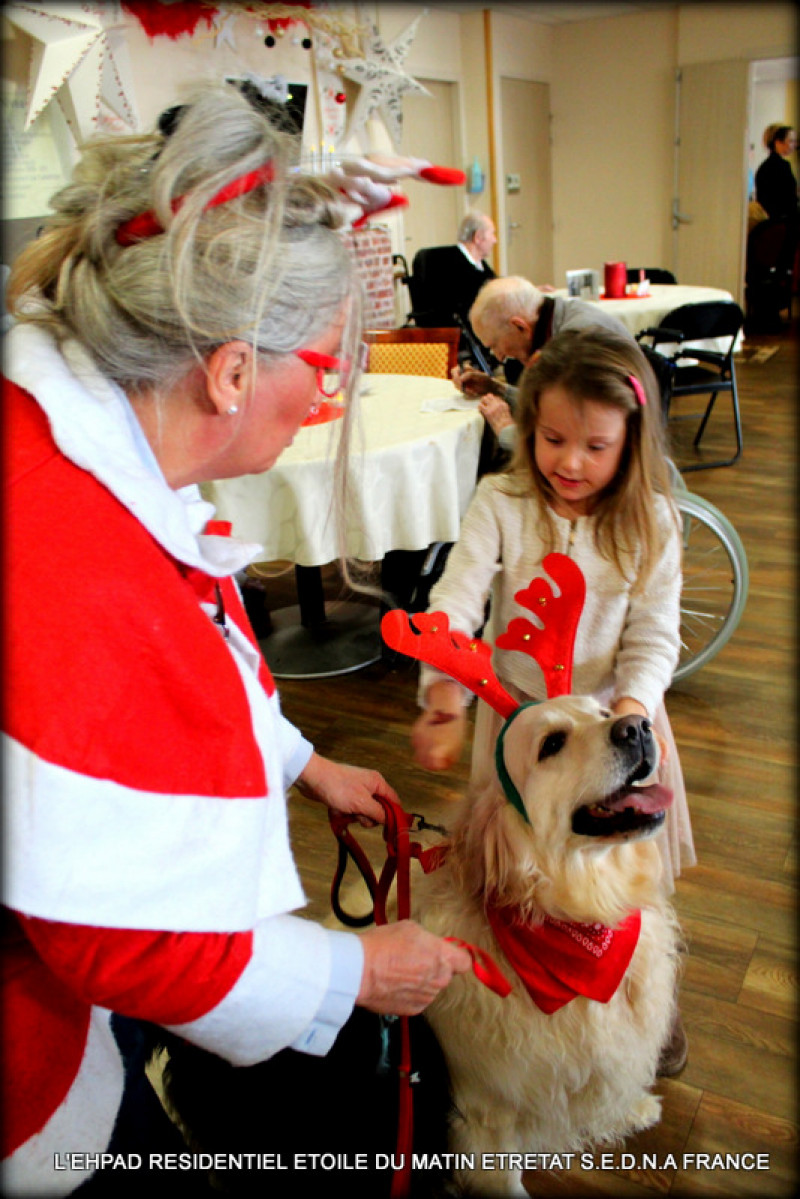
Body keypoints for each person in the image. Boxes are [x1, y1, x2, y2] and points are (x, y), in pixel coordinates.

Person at [2, 81, 472, 1196]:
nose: (320, 401)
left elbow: (160, 681)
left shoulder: (72, 431)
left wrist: (304, 760)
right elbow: (121, 933)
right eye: (316, 366)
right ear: (226, 369)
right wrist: (349, 968)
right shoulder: (72, 559)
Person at [412, 327, 695, 891]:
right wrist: (444, 690)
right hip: (522, 720)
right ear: (530, 424)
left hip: (612, 717)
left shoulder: (654, 520)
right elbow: (458, 597)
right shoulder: (501, 502)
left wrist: (632, 708)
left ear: (630, 442)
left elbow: (654, 633)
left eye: (595, 447)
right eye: (552, 438)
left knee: (614, 860)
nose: (569, 462)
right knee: (524, 866)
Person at [453, 274, 634, 457]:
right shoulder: (561, 316)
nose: (499, 356)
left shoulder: (575, 346)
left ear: (520, 327)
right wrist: (495, 387)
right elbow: (548, 406)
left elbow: (566, 444)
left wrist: (505, 428)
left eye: (495, 345)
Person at [409, 210, 497, 333]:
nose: (495, 240)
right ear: (477, 237)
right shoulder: (447, 264)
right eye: (492, 234)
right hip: (457, 333)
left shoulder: (480, 265)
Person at [755, 124, 798, 224]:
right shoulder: (781, 166)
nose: (794, 145)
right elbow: (788, 200)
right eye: (791, 141)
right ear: (778, 142)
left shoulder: (764, 166)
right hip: (782, 223)